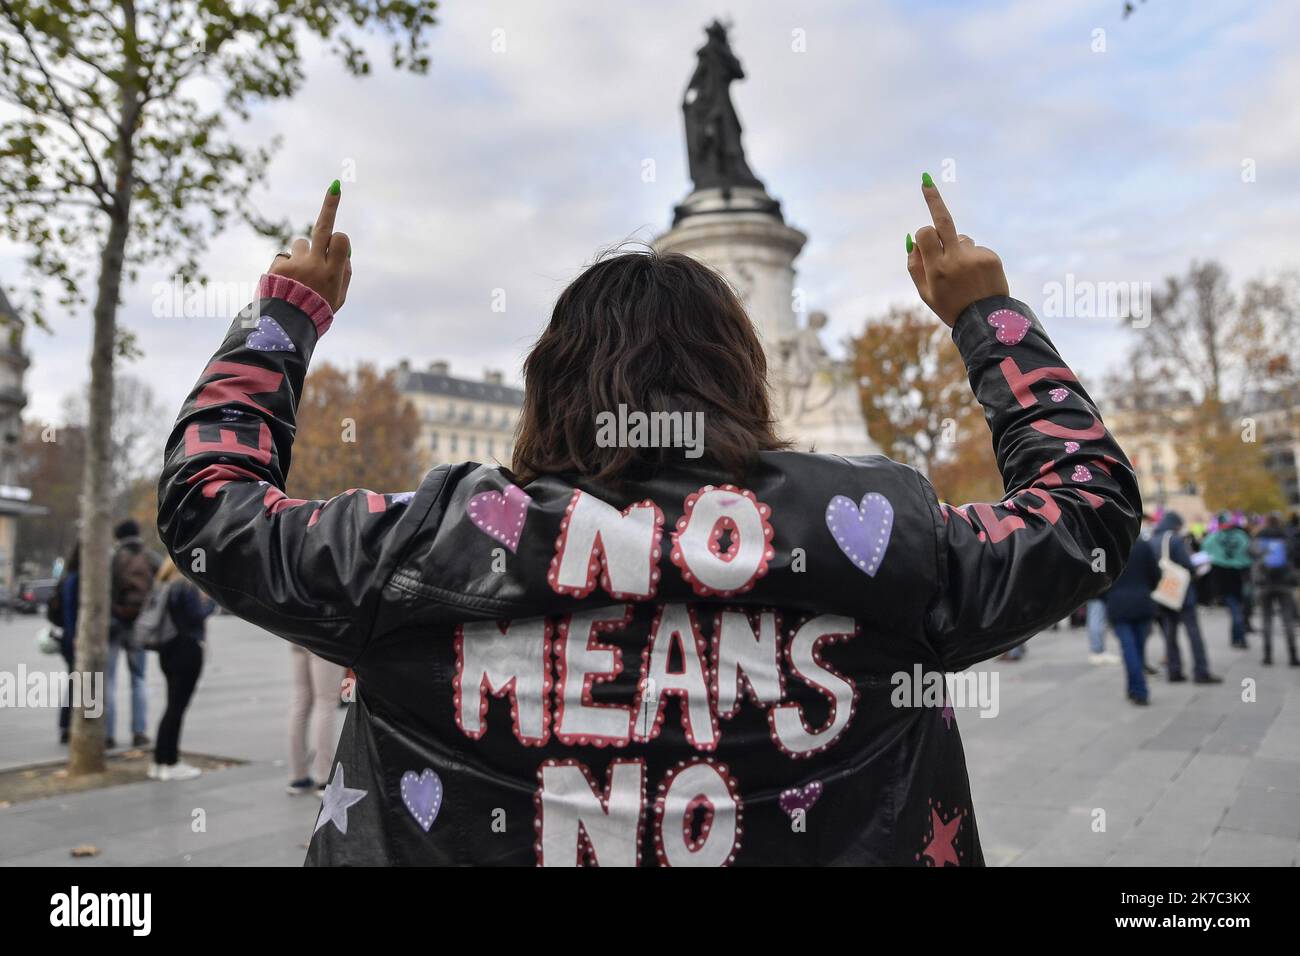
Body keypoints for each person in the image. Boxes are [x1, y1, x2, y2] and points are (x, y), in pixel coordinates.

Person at [157, 177, 1142, 866]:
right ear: (738, 377)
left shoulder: (424, 542)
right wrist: (989, 314)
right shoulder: (876, 532)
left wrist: (286, 314)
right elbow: (1087, 505)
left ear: (550, 385)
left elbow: (210, 501)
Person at [148, 556, 214, 781]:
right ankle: (171, 761)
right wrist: (211, 601)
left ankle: (159, 761)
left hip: (167, 649)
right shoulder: (185, 586)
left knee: (171, 706)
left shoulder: (164, 585)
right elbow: (197, 615)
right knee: (177, 708)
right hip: (187, 649)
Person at [107, 519, 161, 748]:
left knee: (107, 680)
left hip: (113, 623)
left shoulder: (112, 557)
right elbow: (161, 587)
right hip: (140, 625)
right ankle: (139, 731)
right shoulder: (150, 558)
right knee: (138, 679)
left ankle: (107, 734)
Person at [1150, 512, 1221, 684]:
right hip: (1182, 593)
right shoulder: (1174, 539)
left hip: (1164, 593)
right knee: (1193, 632)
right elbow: (1187, 564)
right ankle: (1201, 671)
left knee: (1169, 633)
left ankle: (1174, 671)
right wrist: (1196, 567)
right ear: (1176, 525)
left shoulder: (1152, 540)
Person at [1104, 535, 1161, 705]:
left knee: (1129, 649)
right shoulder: (1143, 545)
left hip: (1118, 604)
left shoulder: (1107, 546)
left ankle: (1138, 690)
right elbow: (1155, 575)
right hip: (1142, 602)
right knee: (1138, 648)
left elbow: (1100, 578)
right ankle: (1133, 687)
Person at [286, 646, 346, 795]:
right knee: (326, 703)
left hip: (295, 633)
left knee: (301, 700)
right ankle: (324, 779)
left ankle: (298, 776)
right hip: (325, 635)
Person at [1251, 513, 1299, 666]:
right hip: (1284, 583)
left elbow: (1250, 553)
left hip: (1264, 583)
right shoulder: (1286, 537)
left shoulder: (1259, 537)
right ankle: (1292, 655)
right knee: (1288, 620)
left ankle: (1267, 655)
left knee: (1266, 620)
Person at [1202, 512, 1252, 649]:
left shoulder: (1213, 538)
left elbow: (1205, 550)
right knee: (1237, 611)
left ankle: (1237, 638)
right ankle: (1239, 638)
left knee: (1236, 611)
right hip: (1239, 579)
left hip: (1227, 581)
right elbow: (1250, 552)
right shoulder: (1241, 536)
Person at [56, 541, 80, 744]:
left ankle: (67, 725)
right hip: (75, 639)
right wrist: (75, 637)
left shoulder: (69, 577)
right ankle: (67, 725)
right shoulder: (76, 579)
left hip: (71, 637)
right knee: (78, 683)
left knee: (76, 682)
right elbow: (70, 612)